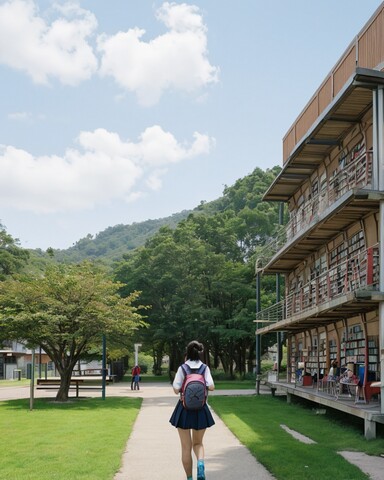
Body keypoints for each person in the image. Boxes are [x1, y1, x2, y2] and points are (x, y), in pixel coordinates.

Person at [169, 340, 215, 480]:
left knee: (185, 447)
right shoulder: (204, 368)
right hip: (200, 410)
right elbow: (212, 386)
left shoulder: (182, 368)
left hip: (184, 410)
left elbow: (176, 390)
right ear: (199, 353)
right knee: (198, 443)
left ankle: (189, 478)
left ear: (187, 353)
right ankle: (200, 463)